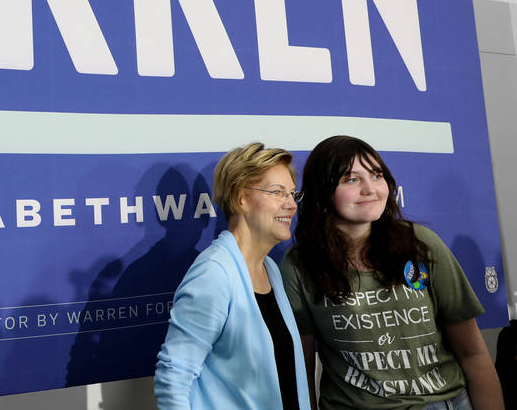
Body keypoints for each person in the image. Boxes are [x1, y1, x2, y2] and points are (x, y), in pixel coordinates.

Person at [281, 135, 504, 409]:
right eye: (351, 179)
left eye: (376, 175)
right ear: (323, 193)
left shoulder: (420, 245)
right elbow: (299, 375)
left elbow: (472, 353)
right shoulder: (299, 265)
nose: (370, 189)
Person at [154, 142, 311, 409]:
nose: (291, 205)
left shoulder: (270, 269)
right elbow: (173, 378)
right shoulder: (213, 274)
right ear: (241, 199)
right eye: (277, 193)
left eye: (292, 195)